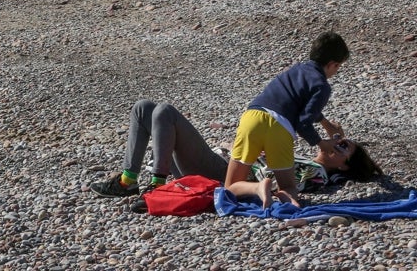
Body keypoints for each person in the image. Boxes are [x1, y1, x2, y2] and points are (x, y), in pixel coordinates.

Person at [88, 99, 380, 203]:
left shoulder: (317, 174)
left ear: (343, 166)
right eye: (342, 139)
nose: (338, 142)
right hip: (221, 162)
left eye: (343, 146)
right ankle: (128, 180)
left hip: (219, 175)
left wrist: (252, 158)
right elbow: (301, 113)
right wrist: (330, 128)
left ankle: (156, 186)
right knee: (144, 108)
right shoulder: (306, 156)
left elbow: (283, 184)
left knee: (164, 112)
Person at [225, 31, 351, 207]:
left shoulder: (297, 69)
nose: (336, 72)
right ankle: (280, 194)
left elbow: (298, 102)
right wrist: (322, 143)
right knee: (289, 187)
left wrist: (326, 124)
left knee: (230, 187)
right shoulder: (322, 86)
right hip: (280, 127)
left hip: (253, 117)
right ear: (332, 64)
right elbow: (303, 121)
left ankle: (257, 188)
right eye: (338, 67)